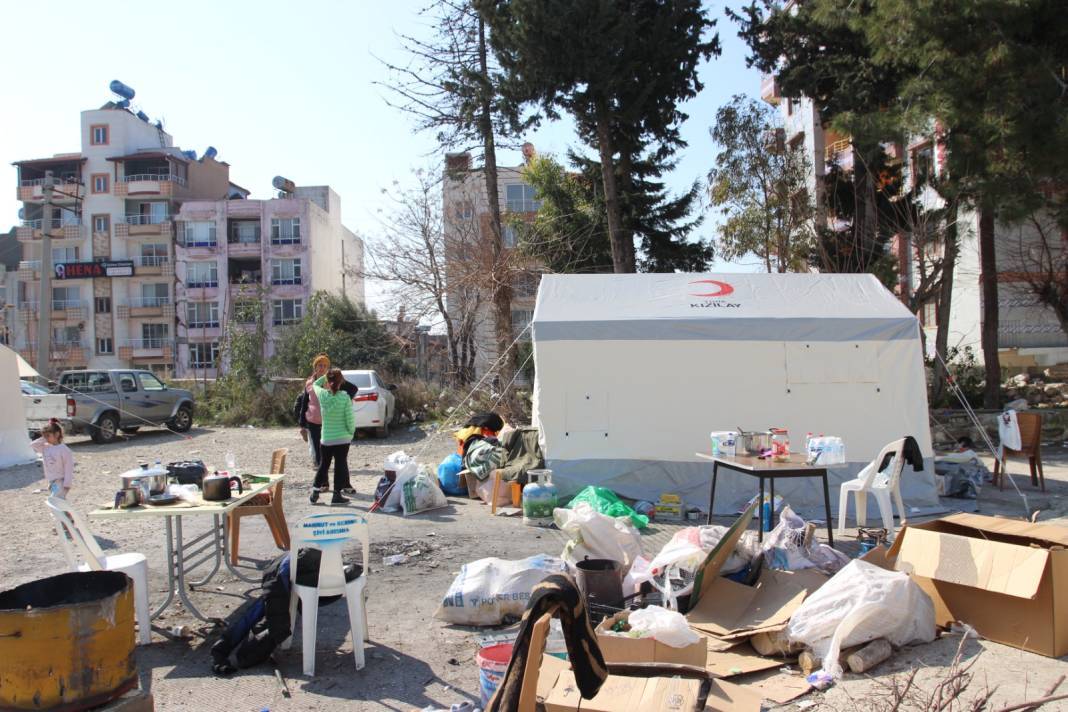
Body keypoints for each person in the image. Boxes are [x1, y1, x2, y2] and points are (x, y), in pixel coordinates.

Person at [299, 354, 358, 494]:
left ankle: (345, 484)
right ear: (315, 367)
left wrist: (346, 401)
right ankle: (324, 484)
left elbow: (353, 389)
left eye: (325, 366)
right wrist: (302, 424)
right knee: (322, 458)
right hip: (314, 422)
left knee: (341, 459)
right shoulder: (310, 384)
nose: (323, 368)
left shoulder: (333, 382)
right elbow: (304, 403)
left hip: (332, 425)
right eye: (320, 365)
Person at [311, 368, 356, 504]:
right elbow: (350, 419)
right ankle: (336, 495)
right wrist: (351, 433)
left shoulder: (323, 396)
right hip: (343, 438)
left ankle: (315, 493)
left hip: (326, 439)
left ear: (328, 381)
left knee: (323, 465)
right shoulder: (345, 397)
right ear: (341, 381)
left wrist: (325, 376)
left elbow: (314, 385)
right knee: (340, 465)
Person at [31, 419, 74, 499]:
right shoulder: (45, 448)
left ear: (57, 434)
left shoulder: (64, 450)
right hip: (51, 481)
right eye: (44, 436)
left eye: (48, 436)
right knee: (58, 502)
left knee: (55, 500)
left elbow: (69, 468)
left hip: (60, 481)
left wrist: (67, 484)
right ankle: (63, 511)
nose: (46, 438)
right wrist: (44, 438)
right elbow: (33, 445)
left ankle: (64, 511)